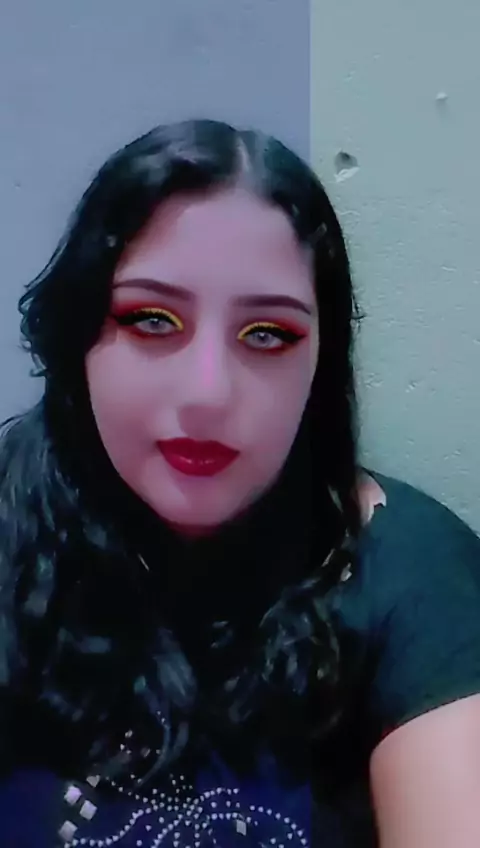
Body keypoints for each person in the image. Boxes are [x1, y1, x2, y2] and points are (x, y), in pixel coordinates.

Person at [0, 119, 479, 848]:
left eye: (267, 335)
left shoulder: (414, 579)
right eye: (151, 321)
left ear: (320, 363)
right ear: (79, 337)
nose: (208, 394)